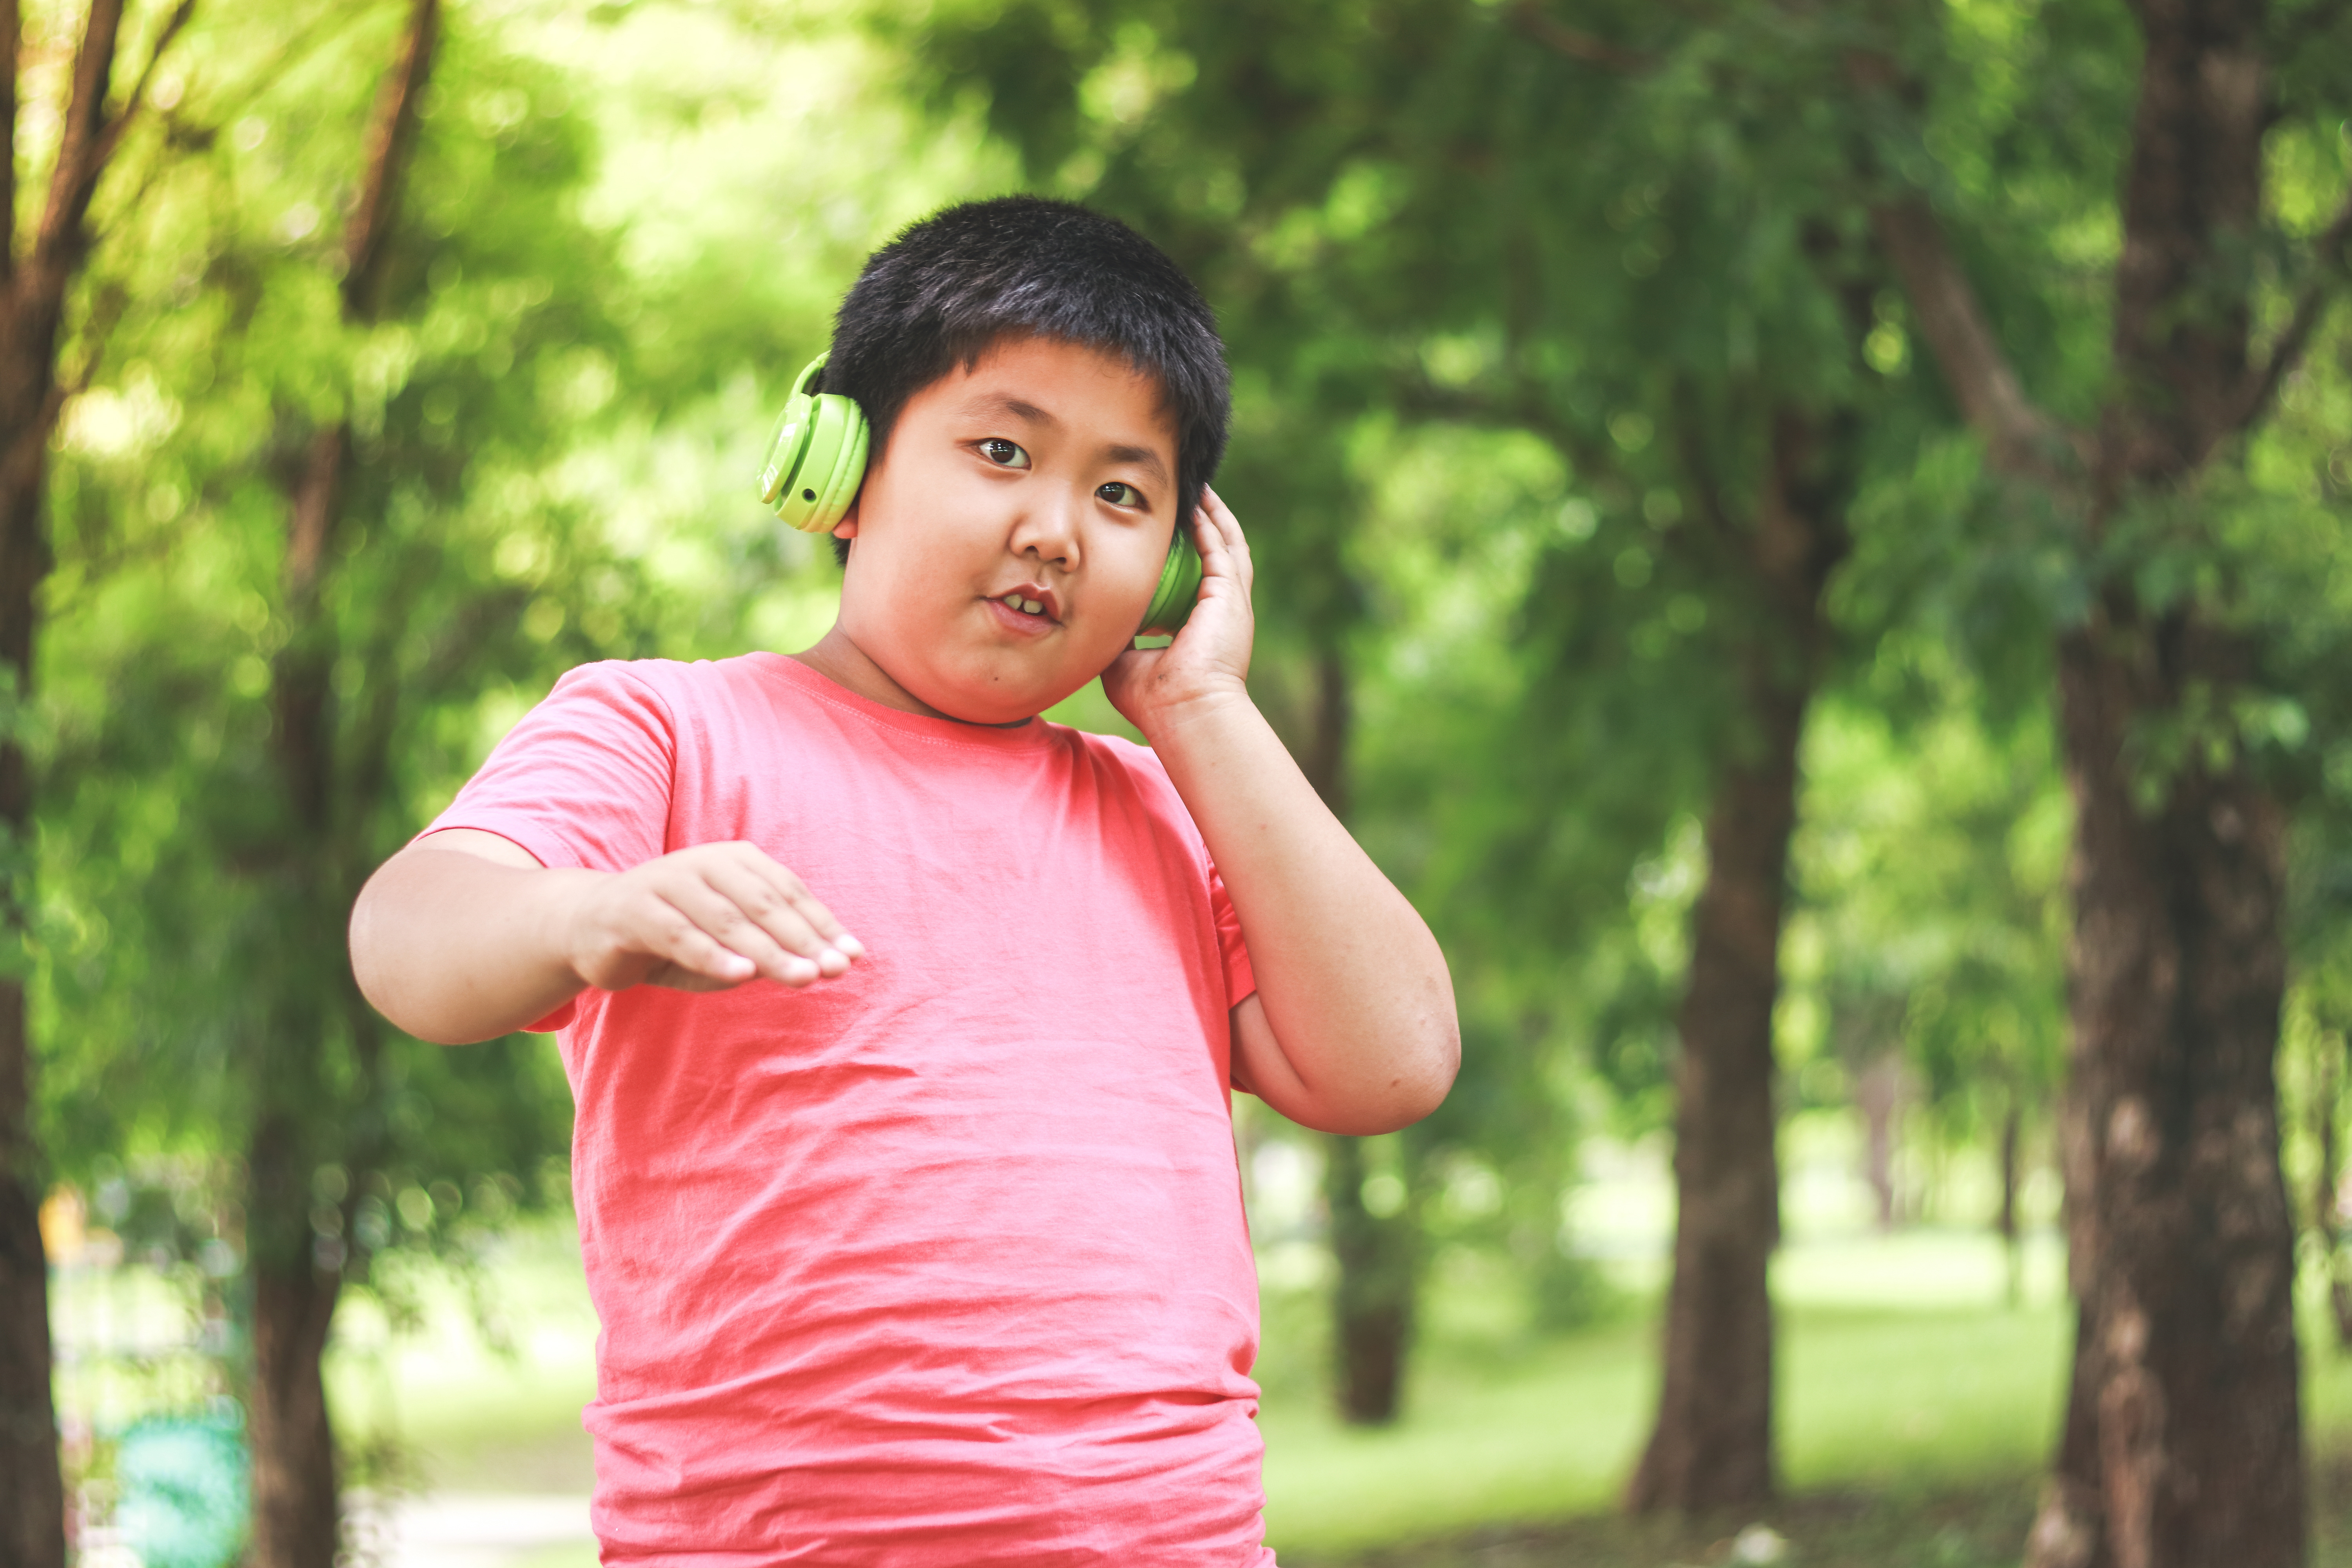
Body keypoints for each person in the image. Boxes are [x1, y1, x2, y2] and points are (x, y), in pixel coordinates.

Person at [348, 195, 1458, 1565]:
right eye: (1003, 450)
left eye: (1124, 494)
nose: (1058, 528)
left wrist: (1204, 706)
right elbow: (407, 937)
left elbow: (1394, 1061)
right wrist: (579, 915)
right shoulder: (667, 731)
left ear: (1176, 564)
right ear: (840, 464)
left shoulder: (1172, 806)